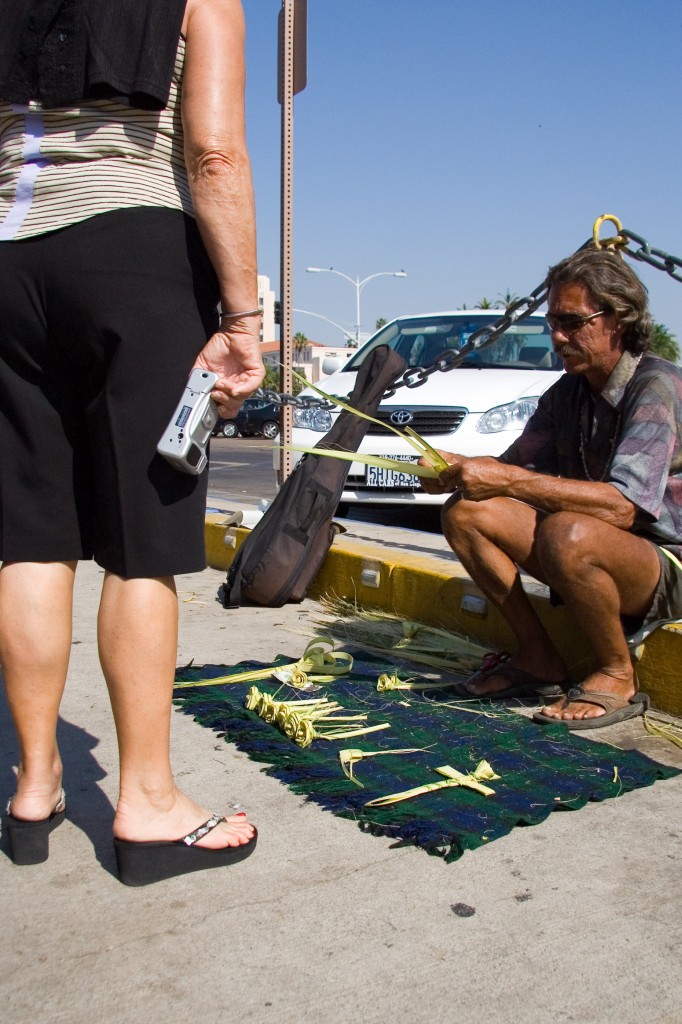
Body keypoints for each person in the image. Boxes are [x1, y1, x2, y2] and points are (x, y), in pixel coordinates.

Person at [0, 0, 264, 884]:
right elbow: (216, 153)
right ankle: (146, 802)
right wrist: (242, 318)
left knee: (30, 537)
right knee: (139, 547)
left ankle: (35, 786)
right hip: (133, 255)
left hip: (8, 264)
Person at [420, 248, 682, 730]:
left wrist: (509, 479)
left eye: (573, 322)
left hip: (667, 563)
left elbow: (624, 509)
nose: (558, 337)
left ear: (617, 320)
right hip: (597, 548)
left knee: (569, 533)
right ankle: (539, 658)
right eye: (553, 323)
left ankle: (617, 674)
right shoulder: (567, 392)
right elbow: (508, 469)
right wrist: (455, 470)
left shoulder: (655, 388)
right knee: (466, 513)